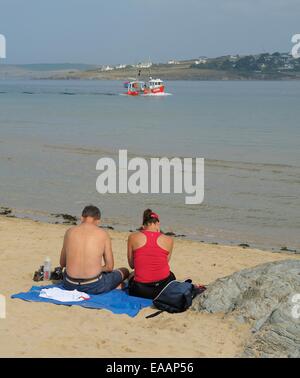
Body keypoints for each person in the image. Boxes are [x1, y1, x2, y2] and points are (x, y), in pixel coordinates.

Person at [60, 205, 129, 294]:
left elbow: (62, 263)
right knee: (125, 271)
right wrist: (94, 268)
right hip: (93, 286)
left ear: (81, 218)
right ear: (98, 221)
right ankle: (116, 285)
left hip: (69, 284)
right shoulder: (103, 234)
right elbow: (109, 267)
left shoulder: (69, 232)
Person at [127, 209, 176, 299]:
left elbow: (132, 265)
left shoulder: (133, 237)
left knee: (131, 274)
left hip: (139, 290)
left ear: (143, 225)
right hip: (162, 289)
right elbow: (165, 262)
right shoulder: (169, 240)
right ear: (157, 224)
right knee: (170, 274)